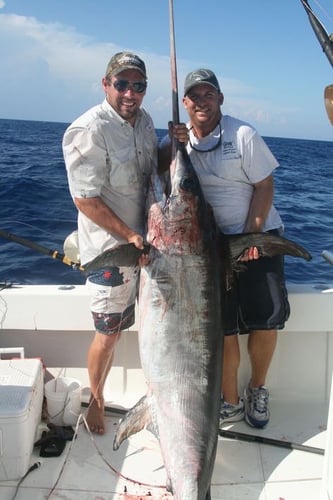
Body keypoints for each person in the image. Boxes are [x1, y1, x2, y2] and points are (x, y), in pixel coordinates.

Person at [159, 69, 290, 429]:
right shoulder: (179, 141)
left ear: (220, 98)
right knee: (222, 326)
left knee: (266, 320)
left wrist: (253, 232)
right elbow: (159, 174)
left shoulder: (242, 134)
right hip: (211, 246)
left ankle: (257, 389)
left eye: (208, 94)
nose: (201, 101)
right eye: (194, 96)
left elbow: (265, 185)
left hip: (255, 235)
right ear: (185, 102)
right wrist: (169, 144)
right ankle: (229, 401)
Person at [63, 52, 157, 434]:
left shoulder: (146, 122)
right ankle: (96, 402)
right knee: (109, 332)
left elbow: (152, 170)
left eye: (138, 85)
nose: (130, 93)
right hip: (110, 250)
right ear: (106, 84)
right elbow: (85, 199)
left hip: (148, 249)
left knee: (151, 327)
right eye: (121, 84)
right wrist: (130, 234)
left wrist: (175, 145)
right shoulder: (89, 129)